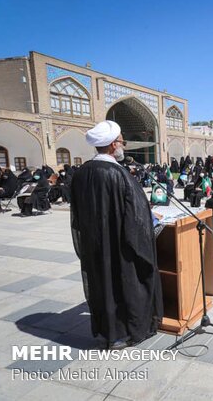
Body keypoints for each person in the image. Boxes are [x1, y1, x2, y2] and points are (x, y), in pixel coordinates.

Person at [70, 120, 163, 350]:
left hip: (95, 245)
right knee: (125, 286)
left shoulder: (81, 172)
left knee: (103, 286)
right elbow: (136, 213)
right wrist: (152, 225)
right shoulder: (118, 174)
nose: (123, 145)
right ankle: (126, 332)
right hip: (120, 246)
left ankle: (108, 332)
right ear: (113, 145)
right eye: (122, 141)